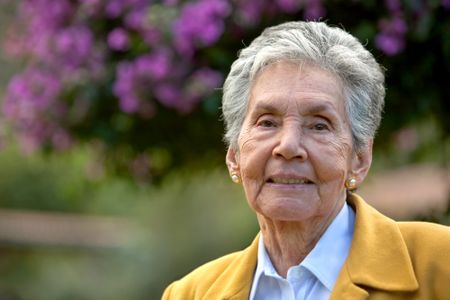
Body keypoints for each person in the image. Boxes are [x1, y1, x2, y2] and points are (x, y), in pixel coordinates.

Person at [162, 21, 450, 300]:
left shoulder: (440, 263)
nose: (288, 146)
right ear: (234, 156)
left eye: (319, 125)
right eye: (267, 122)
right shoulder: (189, 294)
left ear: (359, 160)